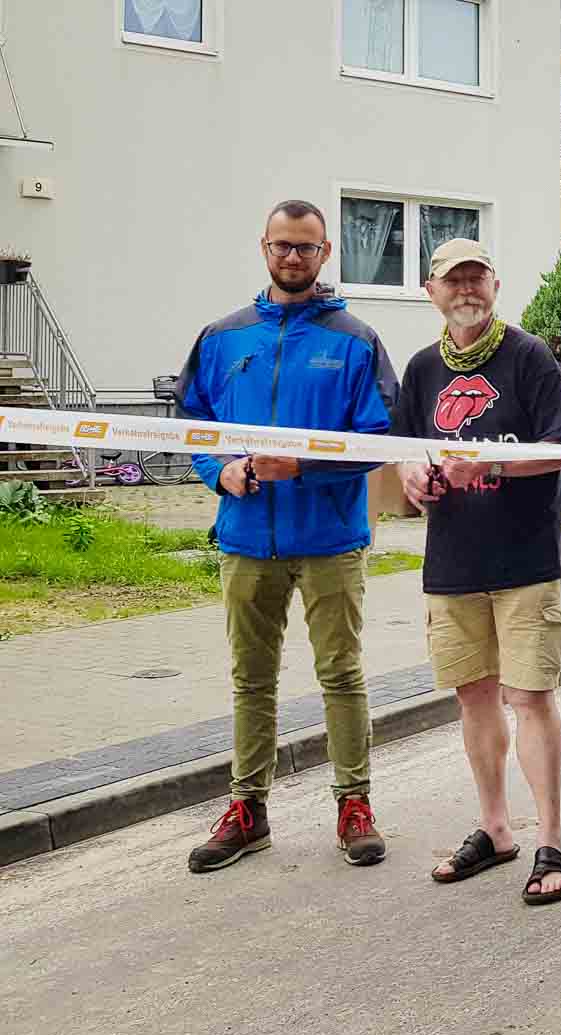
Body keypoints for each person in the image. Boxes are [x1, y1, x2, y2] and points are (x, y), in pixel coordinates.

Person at [175, 199, 397, 873]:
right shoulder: (222, 337)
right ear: (263, 248)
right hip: (246, 538)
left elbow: (379, 439)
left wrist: (301, 465)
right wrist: (222, 473)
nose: (292, 258)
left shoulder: (354, 338)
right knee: (251, 680)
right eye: (281, 246)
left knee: (340, 674)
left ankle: (353, 804)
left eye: (305, 247)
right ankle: (249, 810)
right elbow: (192, 426)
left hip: (329, 537)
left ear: (325, 253)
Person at [390, 239, 561, 904]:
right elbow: (402, 454)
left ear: (495, 284)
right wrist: (415, 478)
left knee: (529, 699)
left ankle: (550, 838)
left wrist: (491, 466)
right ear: (431, 291)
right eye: (452, 280)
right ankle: (496, 829)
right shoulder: (418, 371)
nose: (465, 289)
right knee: (473, 697)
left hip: (524, 561)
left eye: (477, 277)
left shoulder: (527, 357)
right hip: (453, 562)